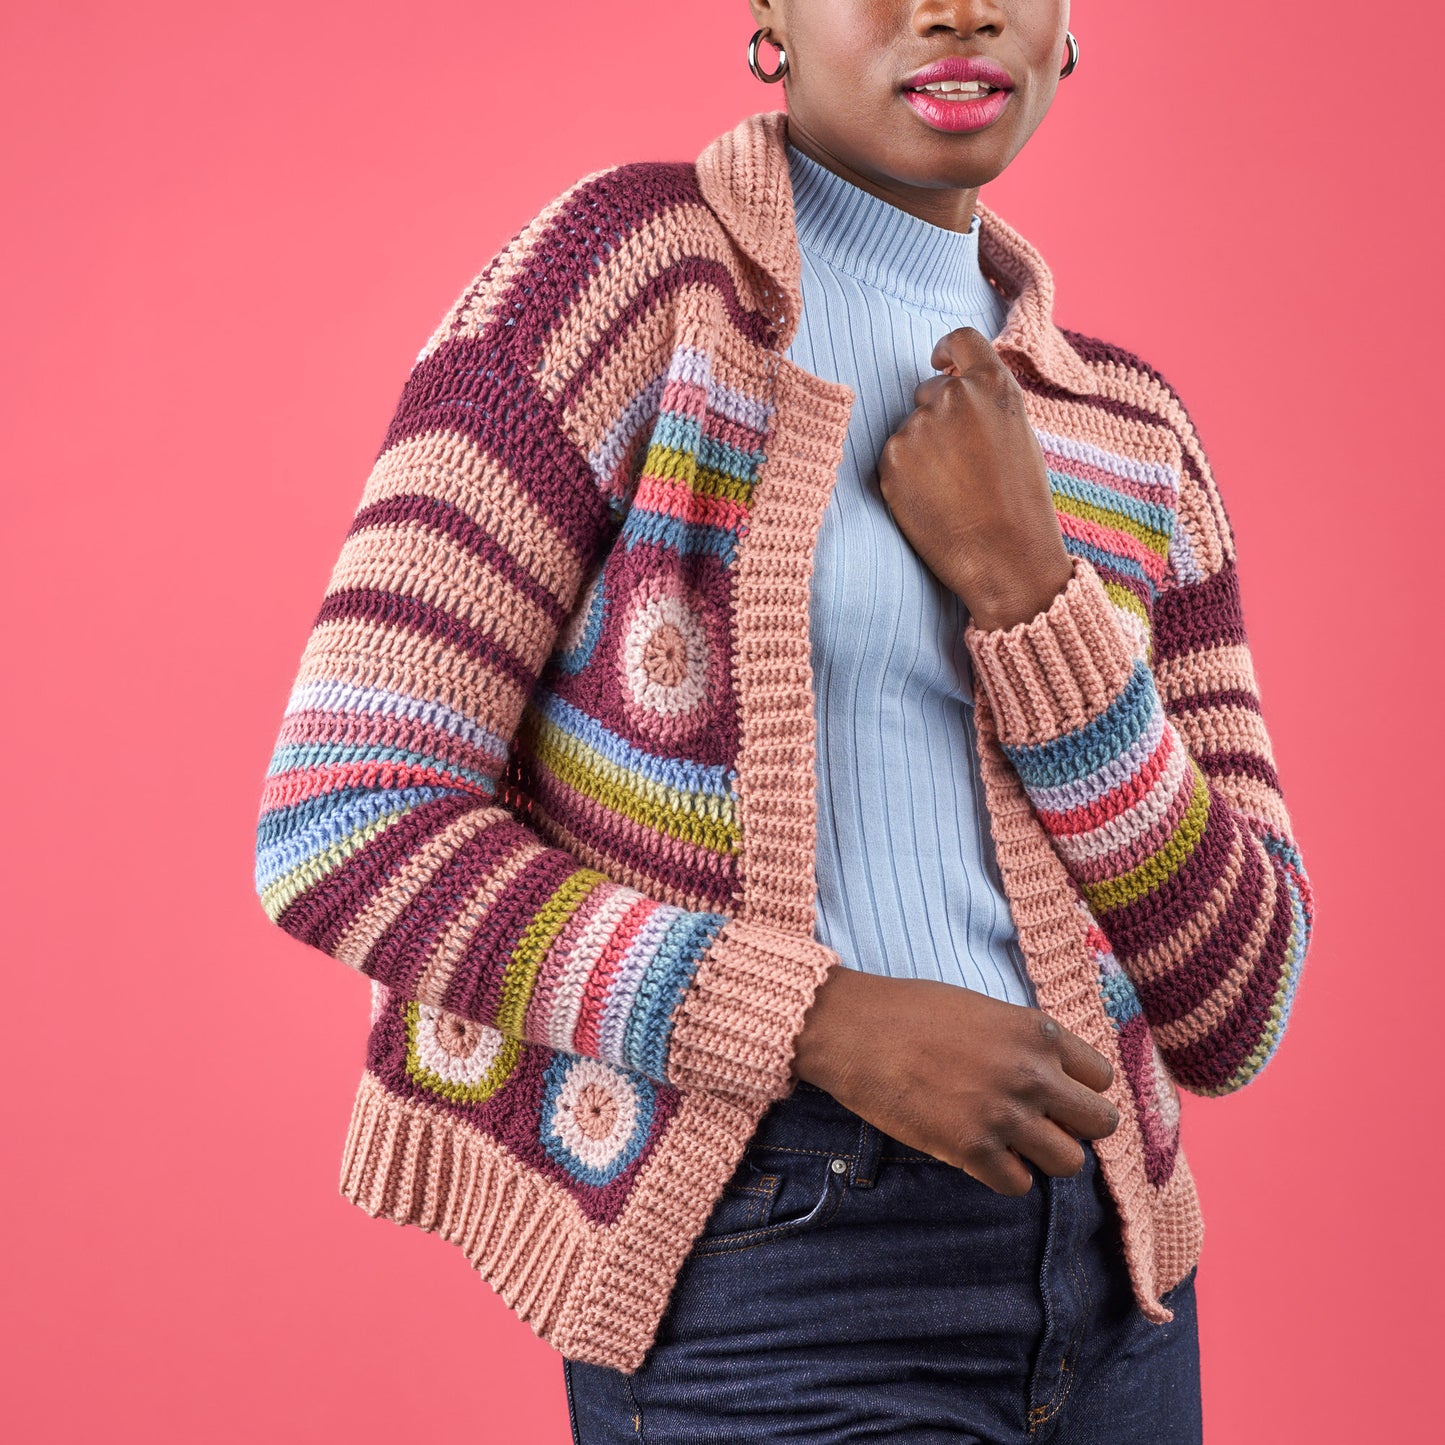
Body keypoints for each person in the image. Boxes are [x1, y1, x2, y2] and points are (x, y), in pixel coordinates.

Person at [253, 3, 1315, 1441]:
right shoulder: (626, 287)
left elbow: (1236, 998)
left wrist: (1029, 590)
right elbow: (347, 815)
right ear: (765, 11)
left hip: (1115, 1281)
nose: (957, 3)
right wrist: (821, 1020)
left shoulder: (1130, 432)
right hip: (770, 1265)